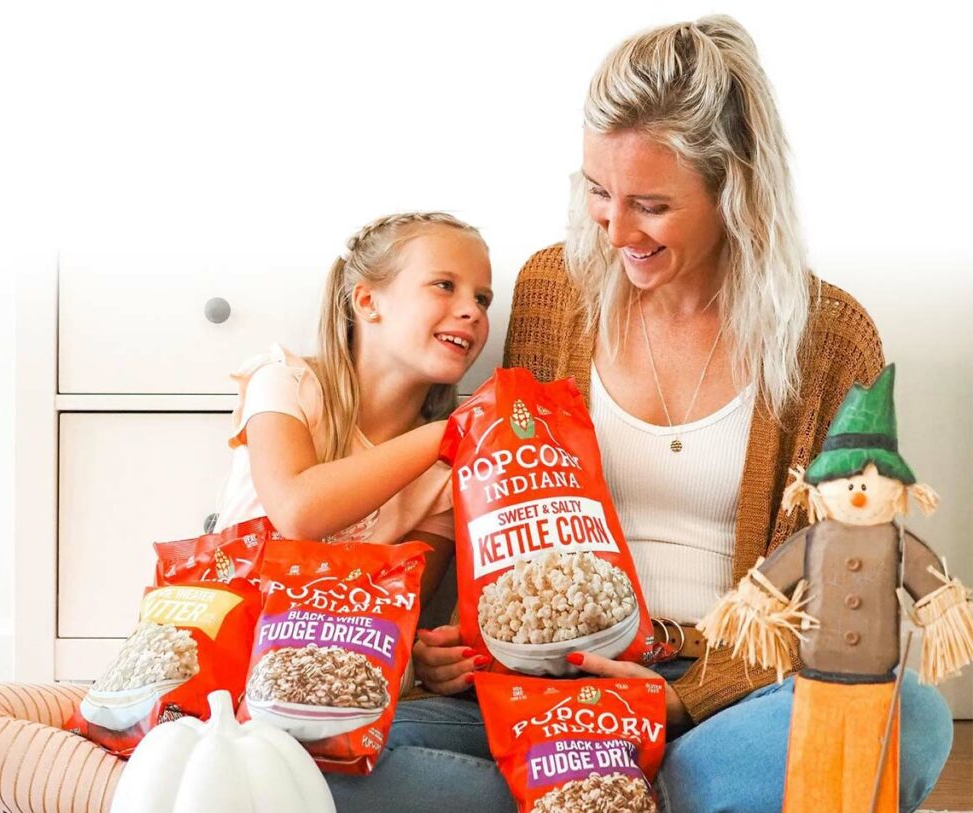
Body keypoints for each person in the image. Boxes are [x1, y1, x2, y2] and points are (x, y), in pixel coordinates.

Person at [345, 16, 952, 813]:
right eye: (598, 192)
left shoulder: (831, 337)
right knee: (322, 756)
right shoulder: (552, 291)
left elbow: (841, 581)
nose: (616, 228)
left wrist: (677, 698)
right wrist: (456, 640)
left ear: (735, 187)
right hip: (539, 696)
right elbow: (499, 488)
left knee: (909, 718)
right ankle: (610, 792)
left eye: (652, 204)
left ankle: (601, 795)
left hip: (717, 699)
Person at [213, 211, 493, 606]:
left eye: (482, 298)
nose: (473, 311)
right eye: (444, 285)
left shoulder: (444, 479)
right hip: (219, 651)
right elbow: (298, 512)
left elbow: (397, 610)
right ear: (367, 301)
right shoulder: (285, 383)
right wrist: (443, 433)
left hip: (330, 660)